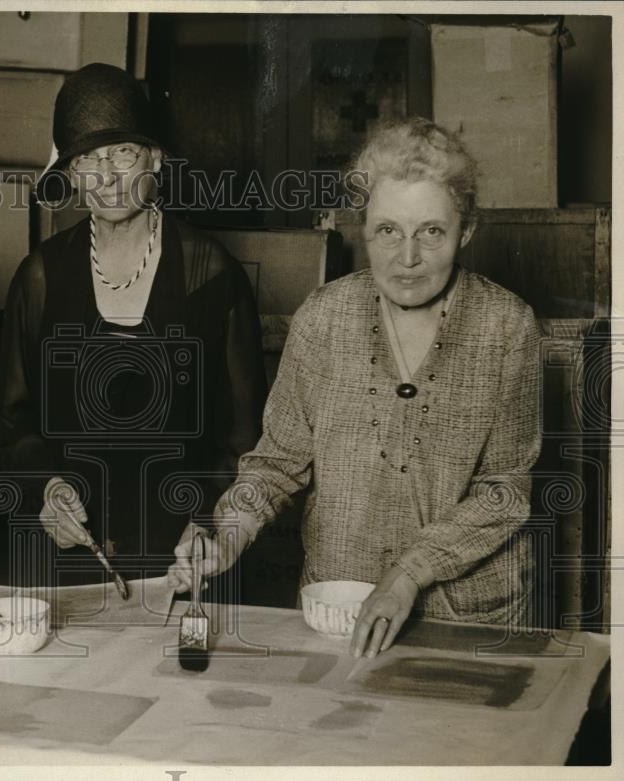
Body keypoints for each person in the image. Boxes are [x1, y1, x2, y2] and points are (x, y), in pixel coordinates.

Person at [169, 118, 542, 656]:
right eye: (388, 230)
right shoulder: (324, 317)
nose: (407, 257)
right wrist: (227, 531)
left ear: (468, 229)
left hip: (465, 621)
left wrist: (410, 573)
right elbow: (277, 462)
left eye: (431, 231)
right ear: (362, 227)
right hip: (336, 612)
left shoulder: (507, 326)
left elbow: (504, 492)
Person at [0, 63, 267, 587]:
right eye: (88, 159)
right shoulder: (40, 276)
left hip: (186, 556)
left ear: (156, 157)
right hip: (68, 555)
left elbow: (245, 435)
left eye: (123, 152)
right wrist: (45, 489)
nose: (108, 177)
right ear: (70, 174)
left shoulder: (212, 273)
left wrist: (208, 523)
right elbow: (11, 425)